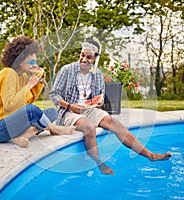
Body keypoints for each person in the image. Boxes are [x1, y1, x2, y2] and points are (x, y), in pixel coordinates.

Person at [49, 39, 172, 174]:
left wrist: (100, 100)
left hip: (89, 109)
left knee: (117, 125)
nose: (84, 60)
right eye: (82, 55)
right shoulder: (66, 70)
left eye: (89, 57)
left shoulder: (97, 74)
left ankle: (150, 155)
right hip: (68, 111)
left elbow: (99, 96)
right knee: (89, 127)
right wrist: (70, 106)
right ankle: (100, 164)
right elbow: (54, 95)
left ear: (95, 58)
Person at [0, 36, 75, 148]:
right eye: (31, 62)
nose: (35, 65)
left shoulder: (23, 76)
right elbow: (9, 105)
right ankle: (54, 128)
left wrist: (37, 85)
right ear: (20, 60)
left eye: (35, 62)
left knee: (52, 112)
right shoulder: (8, 73)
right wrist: (29, 85)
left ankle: (26, 135)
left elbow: (26, 102)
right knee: (32, 111)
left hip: (12, 125)